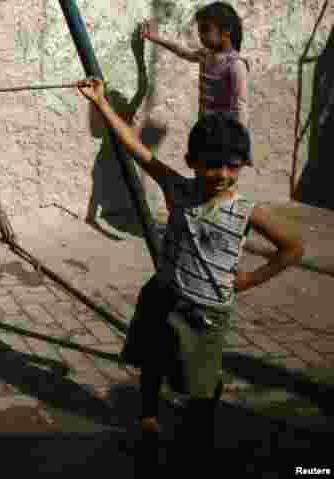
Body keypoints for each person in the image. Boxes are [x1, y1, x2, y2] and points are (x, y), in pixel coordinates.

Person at [76, 76, 303, 467]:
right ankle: (148, 417)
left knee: (197, 387)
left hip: (206, 314)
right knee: (151, 360)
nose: (222, 174)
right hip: (163, 294)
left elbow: (291, 249)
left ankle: (199, 432)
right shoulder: (177, 189)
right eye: (212, 165)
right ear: (191, 163)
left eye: (232, 166)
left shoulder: (247, 210)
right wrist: (101, 103)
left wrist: (248, 281)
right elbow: (137, 150)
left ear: (242, 165)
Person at [141, 1, 250, 124]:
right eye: (199, 31)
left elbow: (240, 106)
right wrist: (156, 38)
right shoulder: (206, 55)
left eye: (205, 29)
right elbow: (182, 51)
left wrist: (240, 138)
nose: (201, 36)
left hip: (224, 133)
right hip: (204, 128)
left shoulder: (235, 65)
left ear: (226, 30)